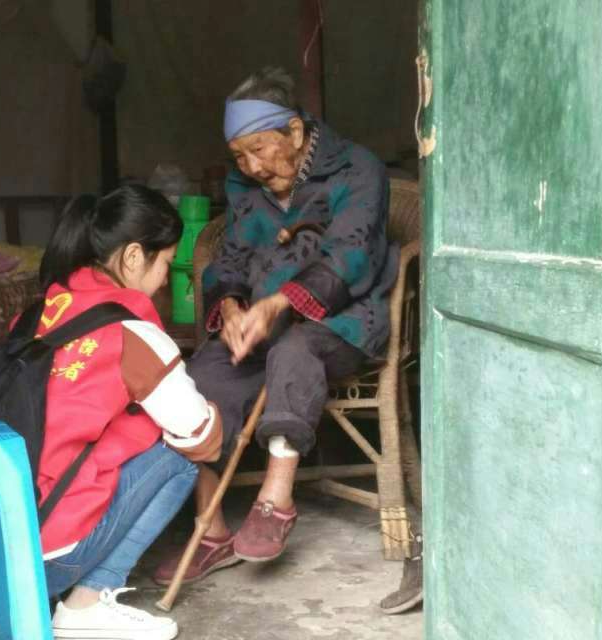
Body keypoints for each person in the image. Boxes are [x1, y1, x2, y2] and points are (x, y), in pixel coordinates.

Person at [153, 66, 413, 598]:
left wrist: (278, 303)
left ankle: (276, 501)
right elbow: (229, 254)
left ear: (294, 132)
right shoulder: (246, 185)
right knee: (202, 375)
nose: (250, 167)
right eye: (238, 157)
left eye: (258, 150)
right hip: (261, 325)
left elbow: (353, 255)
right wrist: (230, 304)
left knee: (296, 350)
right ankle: (211, 532)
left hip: (343, 320)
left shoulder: (357, 169)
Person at [35, 185, 223, 640]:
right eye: (167, 263)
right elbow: (201, 437)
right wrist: (213, 409)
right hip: (51, 558)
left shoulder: (46, 307)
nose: (166, 279)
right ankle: (85, 605)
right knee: (180, 456)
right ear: (135, 256)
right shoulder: (129, 329)